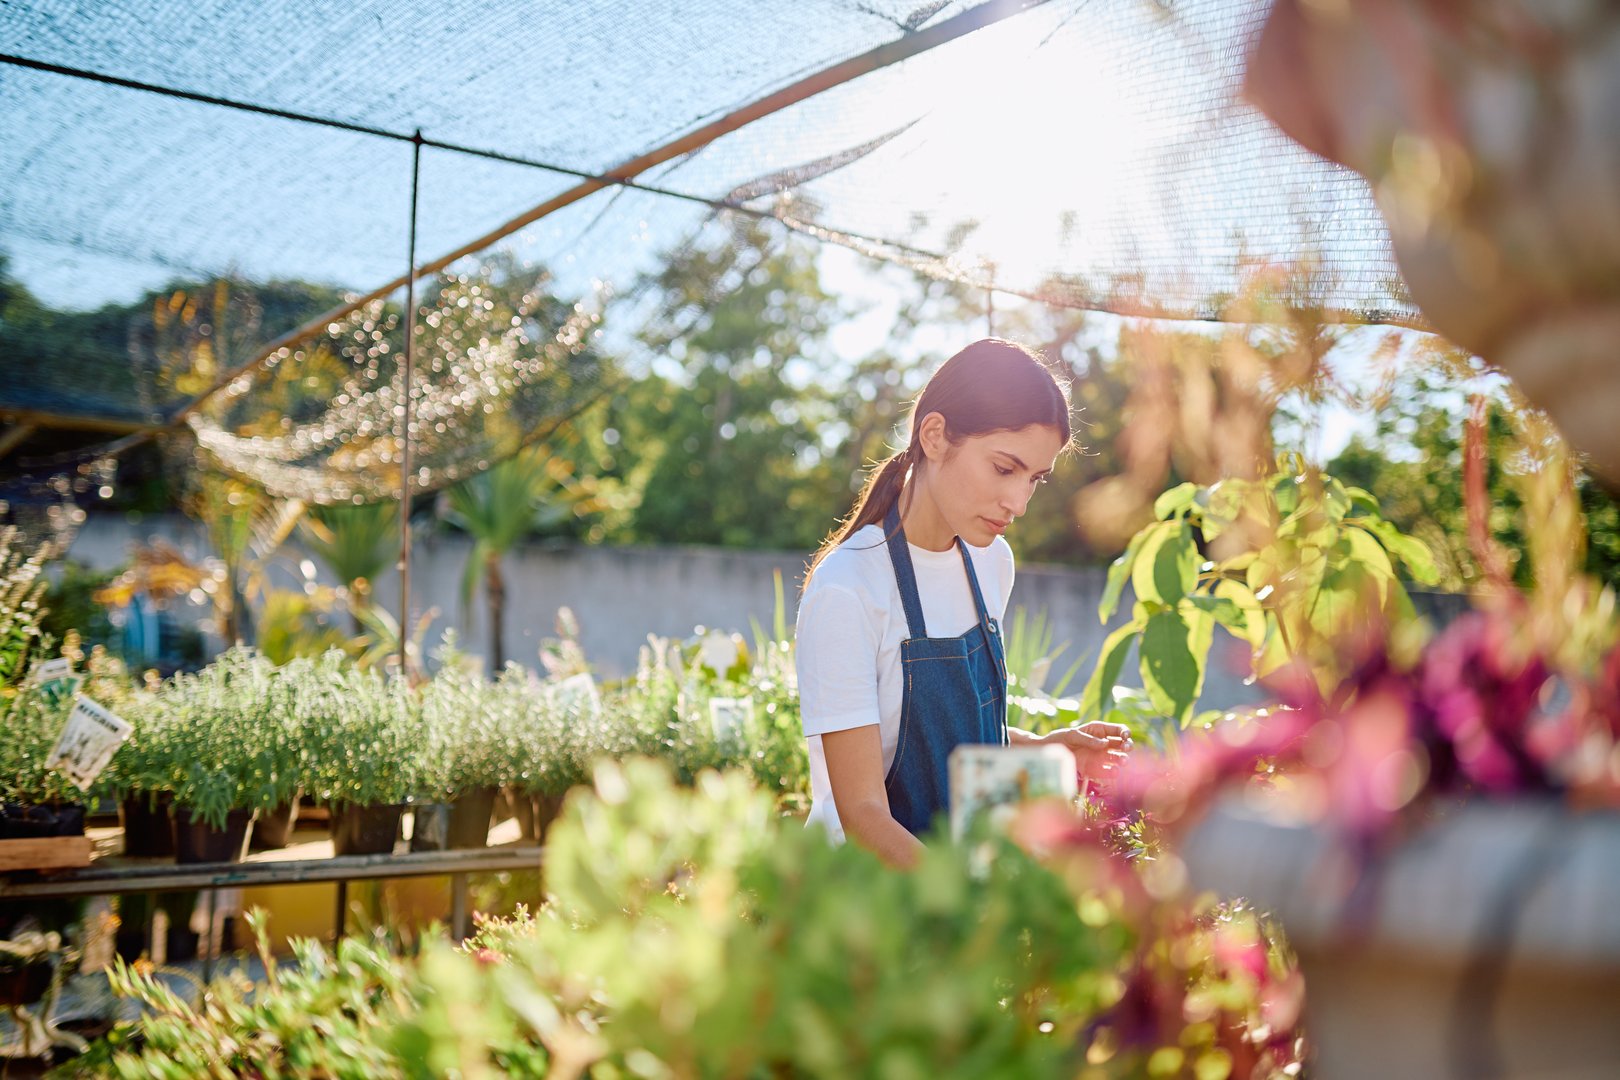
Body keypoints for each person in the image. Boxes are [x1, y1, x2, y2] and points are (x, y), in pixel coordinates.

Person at [795, 338, 1132, 868]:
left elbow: (947, 745)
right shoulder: (850, 586)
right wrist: (966, 905)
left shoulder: (991, 562)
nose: (1018, 502)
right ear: (935, 436)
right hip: (867, 903)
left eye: (1034, 480)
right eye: (1004, 469)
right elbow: (861, 813)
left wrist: (1046, 748)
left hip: (962, 881)